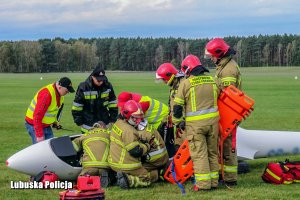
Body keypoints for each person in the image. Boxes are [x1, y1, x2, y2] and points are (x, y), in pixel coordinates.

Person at [172, 54, 220, 191]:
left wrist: (178, 122)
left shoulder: (185, 84)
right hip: (213, 124)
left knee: (199, 154)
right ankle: (214, 182)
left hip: (195, 127)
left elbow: (177, 107)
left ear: (187, 69)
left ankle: (203, 184)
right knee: (212, 153)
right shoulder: (212, 80)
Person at [205, 38, 242, 186]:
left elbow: (228, 95)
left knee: (228, 146)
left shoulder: (228, 70)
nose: (211, 58)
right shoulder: (223, 65)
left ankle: (230, 179)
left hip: (230, 113)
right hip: (226, 112)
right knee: (222, 144)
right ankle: (224, 175)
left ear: (219, 54)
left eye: (212, 55)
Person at [108, 100, 158, 189]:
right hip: (127, 165)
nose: (138, 121)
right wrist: (147, 146)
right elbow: (136, 151)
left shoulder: (117, 123)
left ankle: (113, 177)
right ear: (127, 115)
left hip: (113, 163)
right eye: (135, 118)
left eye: (140, 118)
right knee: (146, 179)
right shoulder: (129, 130)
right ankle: (128, 180)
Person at [25, 77, 75, 144]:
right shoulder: (46, 94)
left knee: (51, 147)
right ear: (60, 87)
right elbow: (37, 116)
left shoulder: (60, 95)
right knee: (40, 150)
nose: (68, 92)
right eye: (67, 90)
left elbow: (53, 111)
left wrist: (55, 122)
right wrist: (39, 136)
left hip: (45, 125)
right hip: (34, 125)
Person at [72, 67, 118, 133]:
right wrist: (79, 122)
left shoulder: (108, 86)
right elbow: (77, 106)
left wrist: (113, 119)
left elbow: (113, 103)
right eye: (98, 80)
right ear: (92, 77)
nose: (101, 82)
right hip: (87, 125)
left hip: (104, 124)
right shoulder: (83, 87)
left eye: (102, 80)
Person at [72, 121, 112, 188]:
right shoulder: (109, 134)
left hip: (89, 165)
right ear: (102, 127)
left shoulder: (85, 135)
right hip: (105, 165)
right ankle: (107, 177)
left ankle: (85, 177)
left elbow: (73, 147)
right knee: (110, 174)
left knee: (81, 180)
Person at [156, 63, 186, 146]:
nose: (164, 82)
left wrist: (181, 122)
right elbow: (173, 107)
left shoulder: (182, 85)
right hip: (179, 125)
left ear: (169, 76)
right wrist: (165, 120)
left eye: (164, 79)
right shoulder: (175, 85)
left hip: (185, 125)